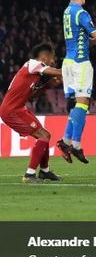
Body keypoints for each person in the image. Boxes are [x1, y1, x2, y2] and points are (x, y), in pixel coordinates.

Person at [0, 43, 63, 183]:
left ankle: (45, 171)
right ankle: (29, 174)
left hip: (18, 108)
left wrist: (48, 85)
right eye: (52, 58)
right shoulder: (33, 64)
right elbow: (58, 72)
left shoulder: (33, 73)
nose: (53, 62)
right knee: (43, 136)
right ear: (45, 57)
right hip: (11, 110)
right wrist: (74, 69)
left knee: (46, 135)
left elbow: (30, 96)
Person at [57, 0, 96, 164]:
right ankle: (73, 144)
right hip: (80, 63)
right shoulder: (81, 13)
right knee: (83, 104)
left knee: (79, 105)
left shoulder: (66, 12)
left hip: (68, 62)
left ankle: (69, 142)